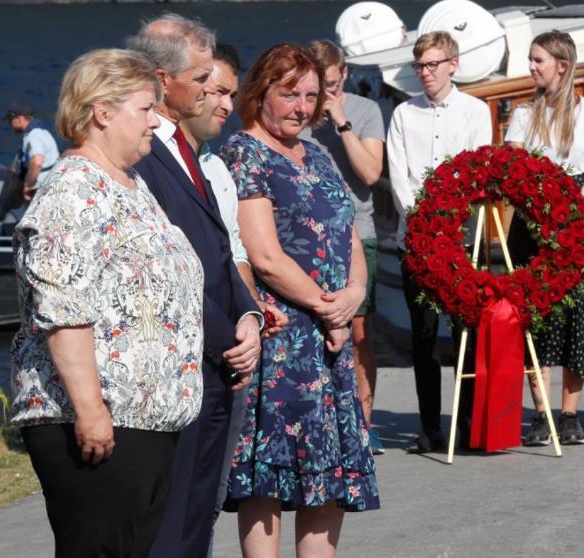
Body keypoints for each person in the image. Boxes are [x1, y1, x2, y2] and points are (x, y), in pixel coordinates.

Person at [10, 48, 204, 557]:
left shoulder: (131, 186)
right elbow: (63, 310)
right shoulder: (72, 191)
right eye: (146, 108)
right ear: (102, 111)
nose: (157, 120)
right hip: (100, 425)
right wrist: (91, 410)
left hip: (144, 424)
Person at [222, 43, 380, 557]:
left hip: (331, 338)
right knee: (269, 479)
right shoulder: (244, 153)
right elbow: (263, 256)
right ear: (259, 92)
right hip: (283, 338)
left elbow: (350, 237)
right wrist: (326, 306)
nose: (302, 107)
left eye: (311, 96)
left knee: (327, 476)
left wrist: (353, 296)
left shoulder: (315, 151)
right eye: (289, 94)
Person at [127, 14, 264, 558]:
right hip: (178, 361)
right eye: (202, 76)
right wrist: (228, 336)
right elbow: (164, 263)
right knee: (170, 517)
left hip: (216, 360)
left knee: (199, 515)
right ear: (164, 79)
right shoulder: (142, 155)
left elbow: (221, 248)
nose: (212, 90)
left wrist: (250, 314)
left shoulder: (194, 156)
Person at [176, 43, 290, 556]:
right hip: (192, 353)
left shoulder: (215, 169)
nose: (221, 102)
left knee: (205, 498)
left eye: (227, 92)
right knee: (176, 507)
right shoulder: (162, 167)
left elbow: (233, 257)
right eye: (213, 90)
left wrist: (250, 316)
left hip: (230, 346)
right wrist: (230, 334)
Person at [504, 31, 584, 446]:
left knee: (579, 314)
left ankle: (570, 413)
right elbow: (512, 170)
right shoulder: (523, 113)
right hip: (531, 221)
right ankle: (540, 413)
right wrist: (538, 216)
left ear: (561, 63)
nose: (532, 66)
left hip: (576, 220)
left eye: (538, 59)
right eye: (531, 59)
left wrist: (568, 216)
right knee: (535, 318)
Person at [387, 31, 492, 453]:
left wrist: (447, 221)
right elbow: (399, 176)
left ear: (453, 64)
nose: (426, 74)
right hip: (416, 238)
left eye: (433, 65)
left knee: (466, 332)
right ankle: (429, 425)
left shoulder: (475, 110)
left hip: (461, 237)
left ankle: (466, 424)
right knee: (424, 336)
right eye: (420, 66)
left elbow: (475, 167)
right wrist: (425, 220)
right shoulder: (403, 114)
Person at [299, 39, 386, 455]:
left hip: (358, 230)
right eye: (318, 87)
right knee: (313, 331)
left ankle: (364, 424)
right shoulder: (296, 111)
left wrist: (340, 120)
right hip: (307, 237)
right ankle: (323, 420)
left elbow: (370, 174)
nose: (323, 95)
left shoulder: (366, 111)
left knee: (358, 333)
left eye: (331, 85)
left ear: (344, 76)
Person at [4, 100, 60, 203]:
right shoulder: (44, 132)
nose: (9, 124)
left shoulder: (33, 136)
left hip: (40, 187)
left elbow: (37, 162)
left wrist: (27, 186)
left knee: (1, 180)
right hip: (53, 182)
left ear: (20, 119)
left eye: (10, 120)